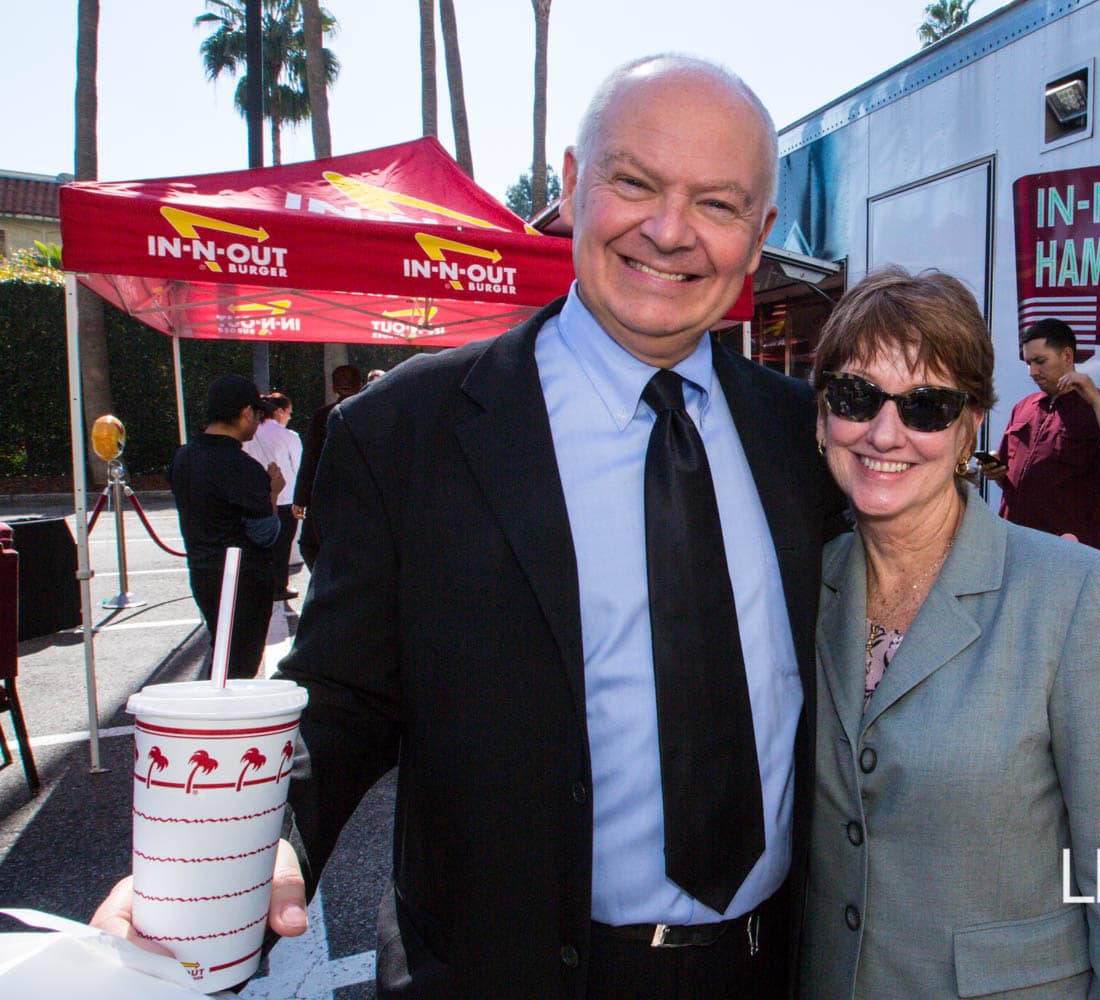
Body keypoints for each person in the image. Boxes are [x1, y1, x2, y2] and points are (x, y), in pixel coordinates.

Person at [95, 55, 843, 997]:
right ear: (572, 184)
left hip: (769, 970)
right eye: (634, 183)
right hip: (503, 974)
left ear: (760, 233)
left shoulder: (803, 436)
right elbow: (341, 693)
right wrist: (261, 842)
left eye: (718, 204)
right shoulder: (404, 432)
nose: (668, 230)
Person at [802, 267, 1100, 998]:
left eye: (927, 406)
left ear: (970, 426)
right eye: (855, 396)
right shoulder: (799, 584)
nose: (885, 432)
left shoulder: (1071, 593)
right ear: (822, 418)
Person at [980, 318, 1100, 555]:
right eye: (1028, 363)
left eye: (1040, 361)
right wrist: (996, 472)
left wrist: (1096, 402)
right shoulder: (1024, 407)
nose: (1032, 372)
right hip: (1014, 547)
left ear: (1067, 356)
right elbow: (1012, 481)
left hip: (1068, 555)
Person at [168, 375, 285, 681]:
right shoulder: (241, 466)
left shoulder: (184, 457)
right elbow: (266, 533)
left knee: (222, 655)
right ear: (246, 413)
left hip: (202, 570)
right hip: (242, 578)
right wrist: (273, 493)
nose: (258, 424)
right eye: (258, 415)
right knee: (239, 665)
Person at [290, 364, 361, 569]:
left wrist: (300, 498)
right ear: (360, 385)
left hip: (326, 493)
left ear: (333, 388)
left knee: (312, 544)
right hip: (362, 495)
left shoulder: (323, 416)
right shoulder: (374, 415)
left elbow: (310, 458)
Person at [242, 391, 302, 601]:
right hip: (287, 498)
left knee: (258, 542)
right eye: (289, 413)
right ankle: (279, 585)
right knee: (283, 544)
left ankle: (259, 584)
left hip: (256, 497)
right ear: (279, 412)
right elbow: (299, 467)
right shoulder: (288, 436)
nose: (289, 417)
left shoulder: (250, 434)